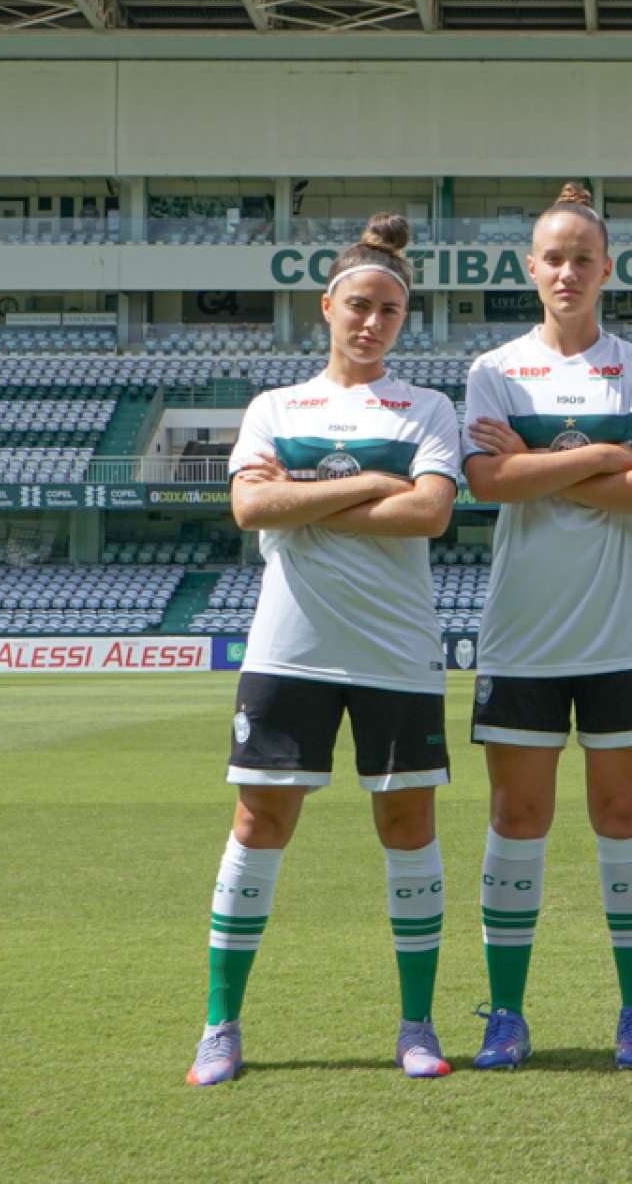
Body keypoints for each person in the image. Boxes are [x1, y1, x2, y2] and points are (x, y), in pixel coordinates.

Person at [186, 212, 464, 1086]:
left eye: (389, 310)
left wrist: (309, 490)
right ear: (327, 307)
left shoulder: (429, 406)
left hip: (396, 653)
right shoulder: (277, 406)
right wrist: (377, 479)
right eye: (358, 305)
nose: (372, 321)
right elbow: (248, 509)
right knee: (257, 824)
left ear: (401, 318)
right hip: (289, 650)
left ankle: (416, 1024)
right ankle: (219, 1024)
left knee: (407, 827)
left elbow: (428, 512)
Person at [460, 182, 632, 1072]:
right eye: (552, 257)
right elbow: (486, 482)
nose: (566, 271)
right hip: (522, 634)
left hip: (621, 632)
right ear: (530, 268)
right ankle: (505, 1014)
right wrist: (600, 454)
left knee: (623, 815)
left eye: (582, 258)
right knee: (516, 817)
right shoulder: (494, 370)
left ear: (606, 270)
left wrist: (537, 462)